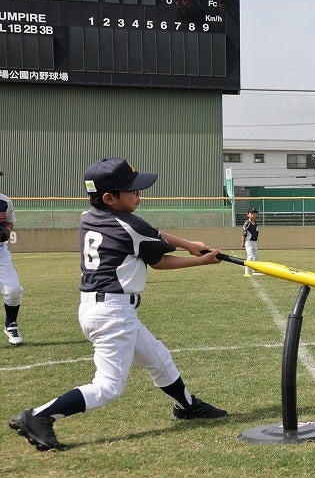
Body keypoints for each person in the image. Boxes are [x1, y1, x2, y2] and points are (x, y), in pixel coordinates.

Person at [8, 158, 227, 452]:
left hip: (100, 308)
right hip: (113, 312)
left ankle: (186, 406)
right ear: (110, 197)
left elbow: (153, 235)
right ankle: (38, 417)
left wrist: (187, 242)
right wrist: (200, 259)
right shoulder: (131, 225)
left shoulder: (90, 215)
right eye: (132, 191)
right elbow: (159, 260)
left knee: (158, 358)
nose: (139, 195)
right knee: (109, 386)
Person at [0, 170, 25, 345]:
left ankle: (11, 323)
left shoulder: (4, 201)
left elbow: (9, 222)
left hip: (0, 250)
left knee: (13, 289)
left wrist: (6, 231)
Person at [240, 208, 260, 277]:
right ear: (248, 214)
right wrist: (243, 242)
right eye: (251, 213)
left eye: (255, 213)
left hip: (254, 242)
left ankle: (255, 269)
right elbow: (244, 233)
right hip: (249, 242)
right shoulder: (247, 223)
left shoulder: (256, 224)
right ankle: (247, 272)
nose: (253, 215)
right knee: (250, 256)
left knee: (256, 256)